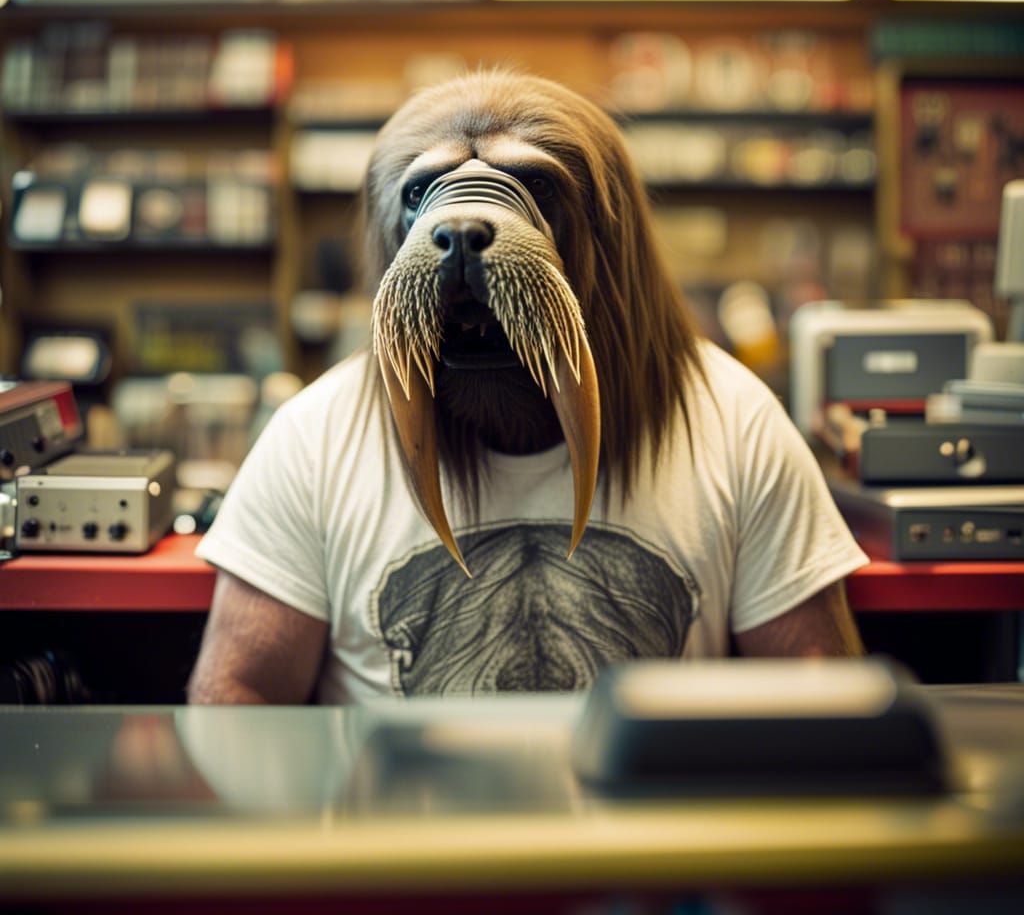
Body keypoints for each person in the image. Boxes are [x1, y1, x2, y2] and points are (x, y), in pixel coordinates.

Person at [188, 72, 867, 705]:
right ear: (391, 234)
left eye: (536, 190)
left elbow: (823, 704)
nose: (460, 228)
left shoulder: (732, 421)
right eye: (423, 194)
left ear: (609, 238)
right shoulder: (317, 437)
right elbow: (237, 700)